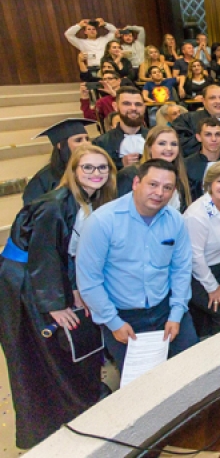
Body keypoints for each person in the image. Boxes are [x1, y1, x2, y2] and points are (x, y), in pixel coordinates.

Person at [0, 145, 116, 449]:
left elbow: (67, 252)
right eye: (88, 167)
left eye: (102, 168)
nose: (96, 174)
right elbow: (44, 256)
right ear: (74, 171)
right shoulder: (54, 205)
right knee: (40, 353)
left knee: (65, 349)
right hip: (25, 283)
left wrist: (75, 290)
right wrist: (56, 304)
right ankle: (46, 424)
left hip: (45, 275)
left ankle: (78, 402)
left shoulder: (87, 201)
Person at [78, 158, 198, 373]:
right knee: (144, 387)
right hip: (123, 316)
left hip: (165, 309)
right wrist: (113, 322)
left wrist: (176, 312)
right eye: (153, 184)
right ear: (136, 183)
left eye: (167, 187)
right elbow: (89, 281)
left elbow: (181, 269)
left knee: (192, 370)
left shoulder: (175, 221)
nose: (159, 192)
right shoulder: (102, 222)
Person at [184, 161, 220, 337]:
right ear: (209, 183)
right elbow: (196, 258)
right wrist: (212, 287)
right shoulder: (197, 215)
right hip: (196, 273)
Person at [116, 126, 192, 212]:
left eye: (174, 144)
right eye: (162, 143)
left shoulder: (180, 176)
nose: (169, 148)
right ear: (149, 147)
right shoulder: (129, 175)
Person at [23, 119, 95, 206]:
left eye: (87, 139)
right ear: (60, 145)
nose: (86, 144)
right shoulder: (42, 180)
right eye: (78, 140)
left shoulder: (97, 170)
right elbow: (34, 214)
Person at [173, 84, 220, 159]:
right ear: (203, 101)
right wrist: (210, 140)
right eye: (212, 98)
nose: (218, 101)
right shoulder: (187, 119)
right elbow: (177, 144)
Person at [185, 117, 220, 201]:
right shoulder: (187, 165)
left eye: (218, 134)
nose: (213, 139)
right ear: (198, 137)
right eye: (208, 134)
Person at [94, 87, 148, 170]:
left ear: (144, 107)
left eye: (138, 104)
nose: (133, 108)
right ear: (115, 106)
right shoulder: (101, 143)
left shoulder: (156, 138)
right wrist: (120, 164)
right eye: (126, 104)